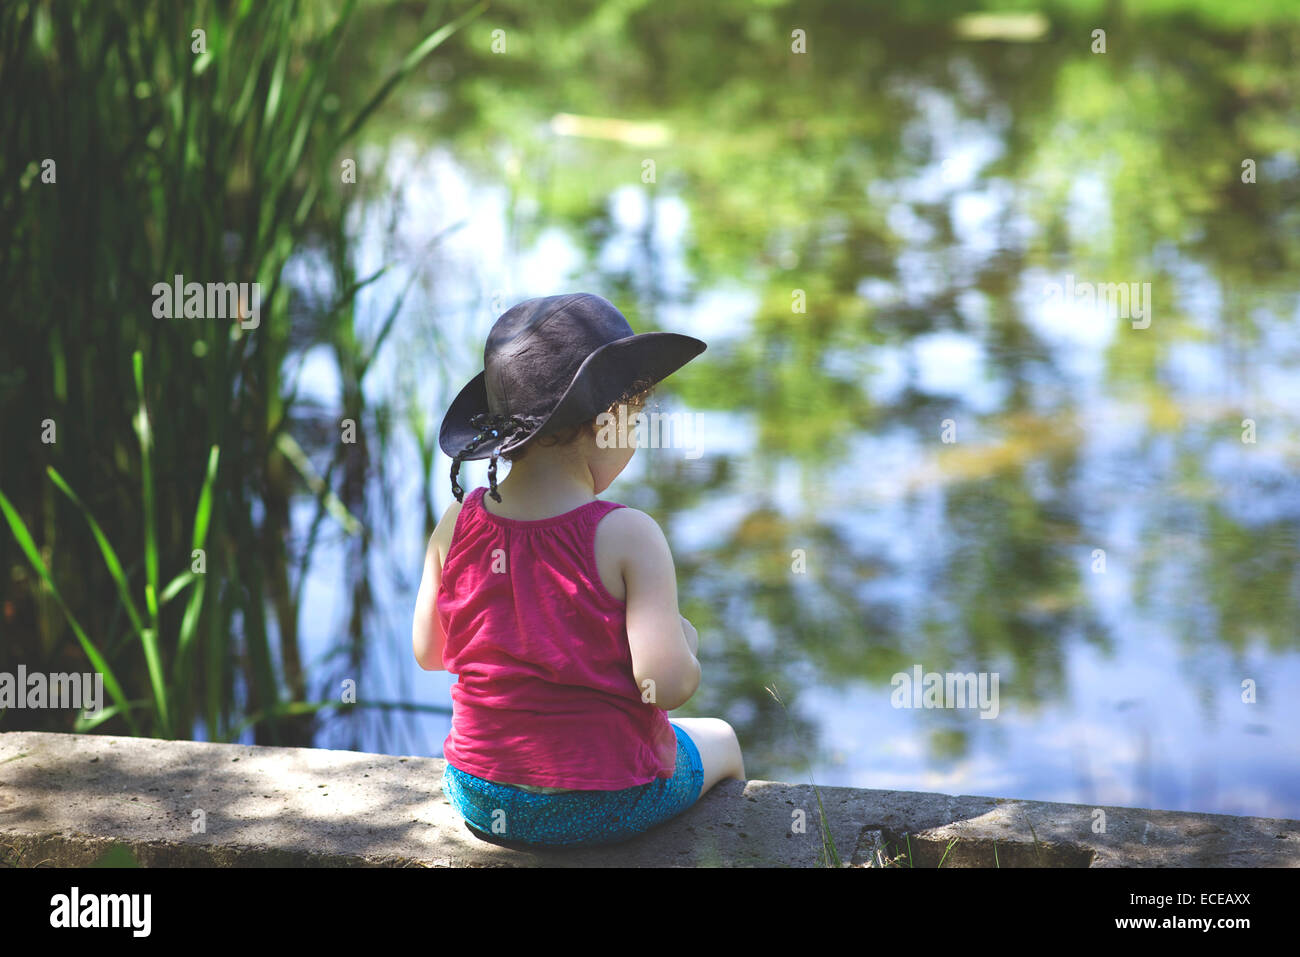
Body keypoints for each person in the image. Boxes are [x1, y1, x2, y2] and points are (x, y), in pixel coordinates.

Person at [412, 292, 745, 847]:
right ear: (607, 422)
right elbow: (665, 686)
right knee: (723, 738)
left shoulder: (455, 523)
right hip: (605, 801)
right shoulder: (627, 534)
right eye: (635, 421)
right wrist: (684, 638)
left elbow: (431, 653)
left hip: (479, 792)